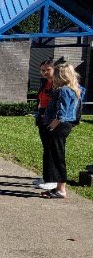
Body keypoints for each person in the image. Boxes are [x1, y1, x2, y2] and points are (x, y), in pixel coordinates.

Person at [40, 62, 83, 199]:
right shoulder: (74, 89)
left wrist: (51, 126)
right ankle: (58, 187)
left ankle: (61, 189)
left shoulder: (63, 90)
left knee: (58, 157)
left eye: (56, 75)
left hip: (58, 126)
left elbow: (61, 112)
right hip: (65, 126)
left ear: (62, 76)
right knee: (58, 156)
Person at [34, 59, 58, 190]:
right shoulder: (44, 83)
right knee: (46, 149)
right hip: (42, 117)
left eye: (48, 70)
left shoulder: (57, 84)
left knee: (51, 149)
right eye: (43, 70)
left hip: (52, 119)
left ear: (54, 69)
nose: (45, 72)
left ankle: (52, 179)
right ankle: (46, 176)